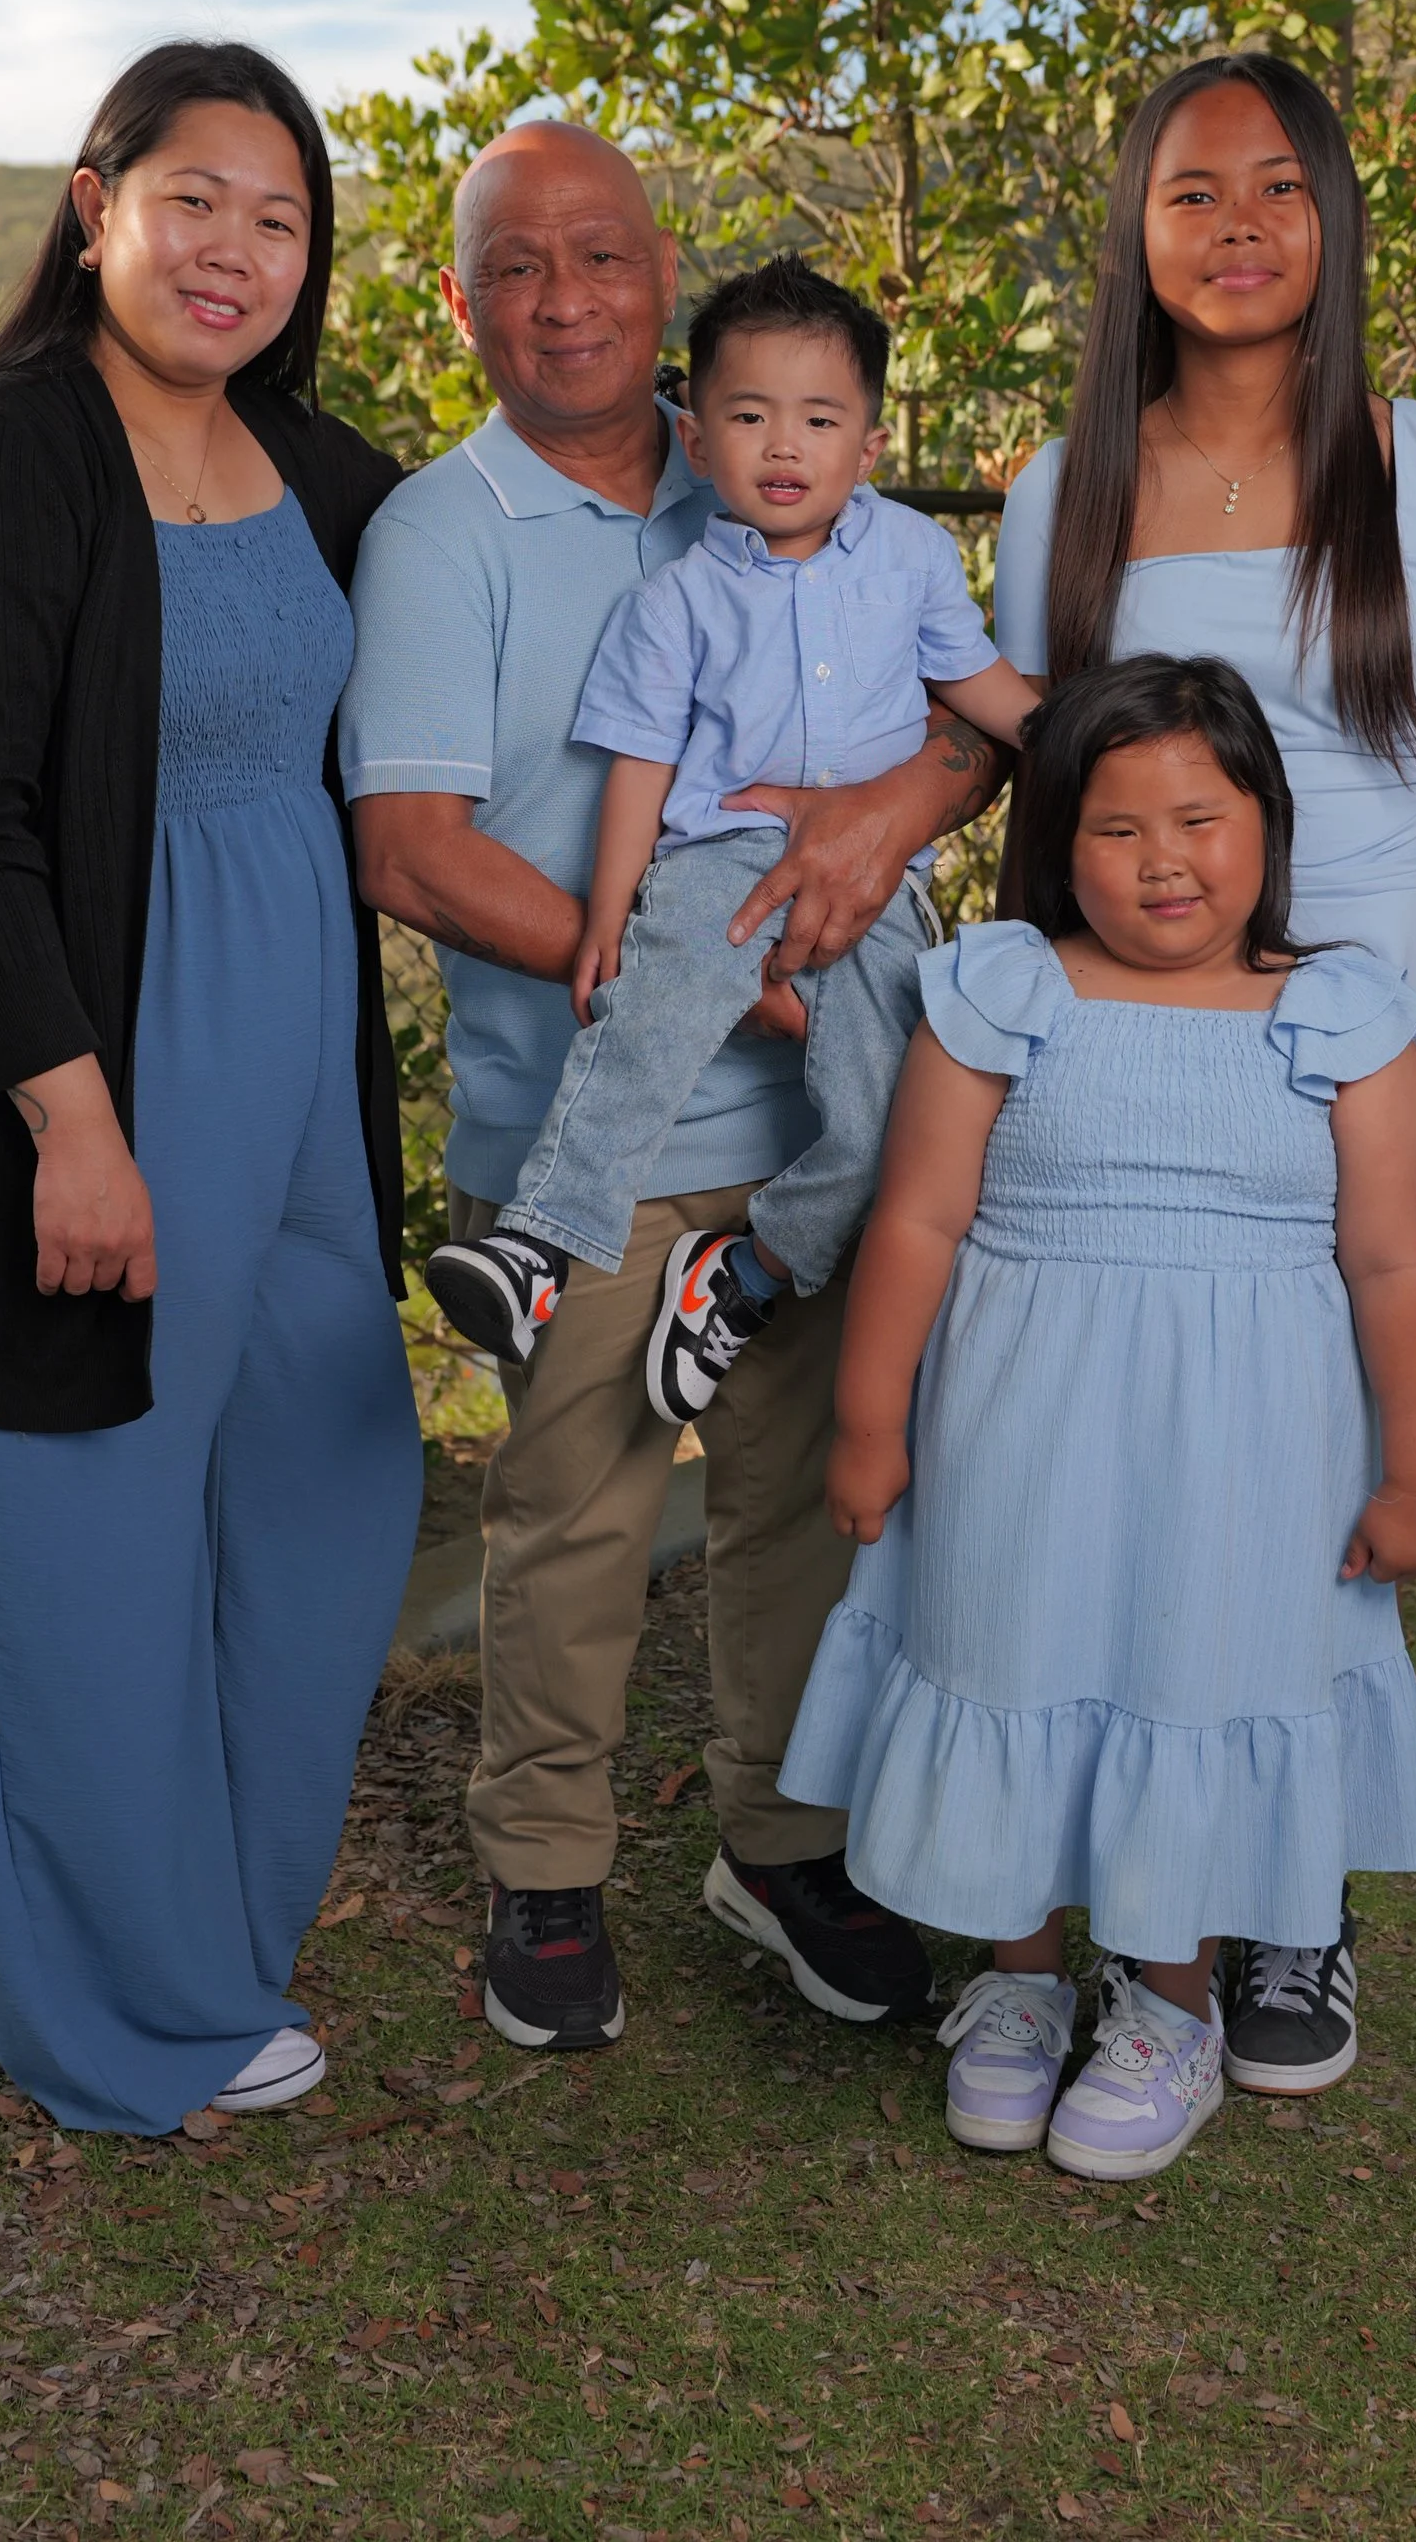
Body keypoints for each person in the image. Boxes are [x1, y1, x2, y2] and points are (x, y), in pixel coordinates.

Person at [0, 41, 423, 2137]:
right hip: (62, 1077)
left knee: (324, 1508)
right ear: (97, 205)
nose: (236, 250)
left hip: (296, 1080)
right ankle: (110, 2021)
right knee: (73, 1569)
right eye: (196, 201)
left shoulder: (327, 475)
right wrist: (75, 1120)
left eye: (281, 216)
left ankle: (221, 1943)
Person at [341, 124, 1009, 2053]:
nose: (566, 298)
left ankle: (783, 1842)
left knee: (801, 1505)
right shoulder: (439, 533)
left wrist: (887, 820)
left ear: (661, 281)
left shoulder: (767, 474)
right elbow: (411, 848)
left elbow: (964, 732)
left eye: (603, 257)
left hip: (824, 1125)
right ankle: (544, 1876)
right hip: (595, 1136)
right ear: (461, 302)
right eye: (520, 266)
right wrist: (692, 977)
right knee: (573, 1520)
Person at [988, 49, 1416, 2081]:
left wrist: (1411, 1086)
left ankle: (1294, 1914)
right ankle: (1125, 1895)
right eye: (1192, 195)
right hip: (1144, 1066)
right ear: (1135, 232)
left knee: (1331, 1487)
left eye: (1277, 191)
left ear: (1334, 217)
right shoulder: (1070, 489)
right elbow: (1054, 800)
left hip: (1377, 1044)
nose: (1238, 232)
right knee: (1158, 1465)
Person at [781, 657, 1416, 2179]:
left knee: (1193, 1675)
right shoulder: (1001, 991)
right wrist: (869, 1425)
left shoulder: (1342, 1019)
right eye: (1118, 829)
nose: (1165, 862)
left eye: (1202, 822)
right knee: (1011, 1656)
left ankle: (1170, 2004)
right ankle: (1020, 1982)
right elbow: (915, 1225)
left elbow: (1398, 1260)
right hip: (1024, 1434)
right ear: (1057, 843)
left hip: (1251, 1453)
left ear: (1267, 828)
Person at [423, 255, 1036, 1424]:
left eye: (819, 418)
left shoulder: (912, 557)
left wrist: (1091, 745)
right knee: (645, 1023)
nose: (784, 445)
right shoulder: (674, 604)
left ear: (868, 440)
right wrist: (611, 919)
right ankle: (536, 1249)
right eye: (749, 417)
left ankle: (745, 1275)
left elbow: (981, 683)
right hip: (723, 864)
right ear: (698, 441)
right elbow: (642, 770)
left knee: (889, 1119)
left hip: (872, 886)